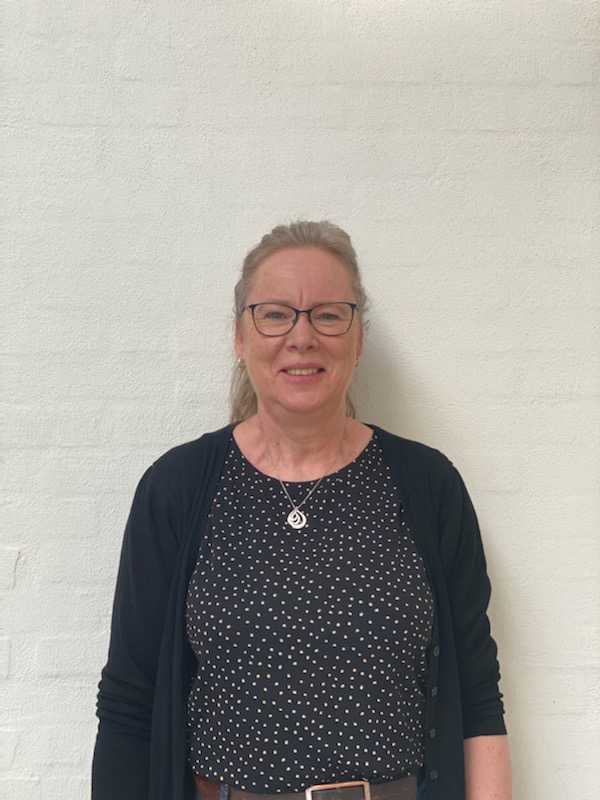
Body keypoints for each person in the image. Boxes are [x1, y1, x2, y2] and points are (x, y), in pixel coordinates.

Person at [91, 220, 512, 800]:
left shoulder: (427, 485)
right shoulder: (178, 489)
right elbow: (130, 702)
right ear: (240, 338)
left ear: (358, 339)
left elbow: (477, 694)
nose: (302, 336)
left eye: (329, 314)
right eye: (275, 314)